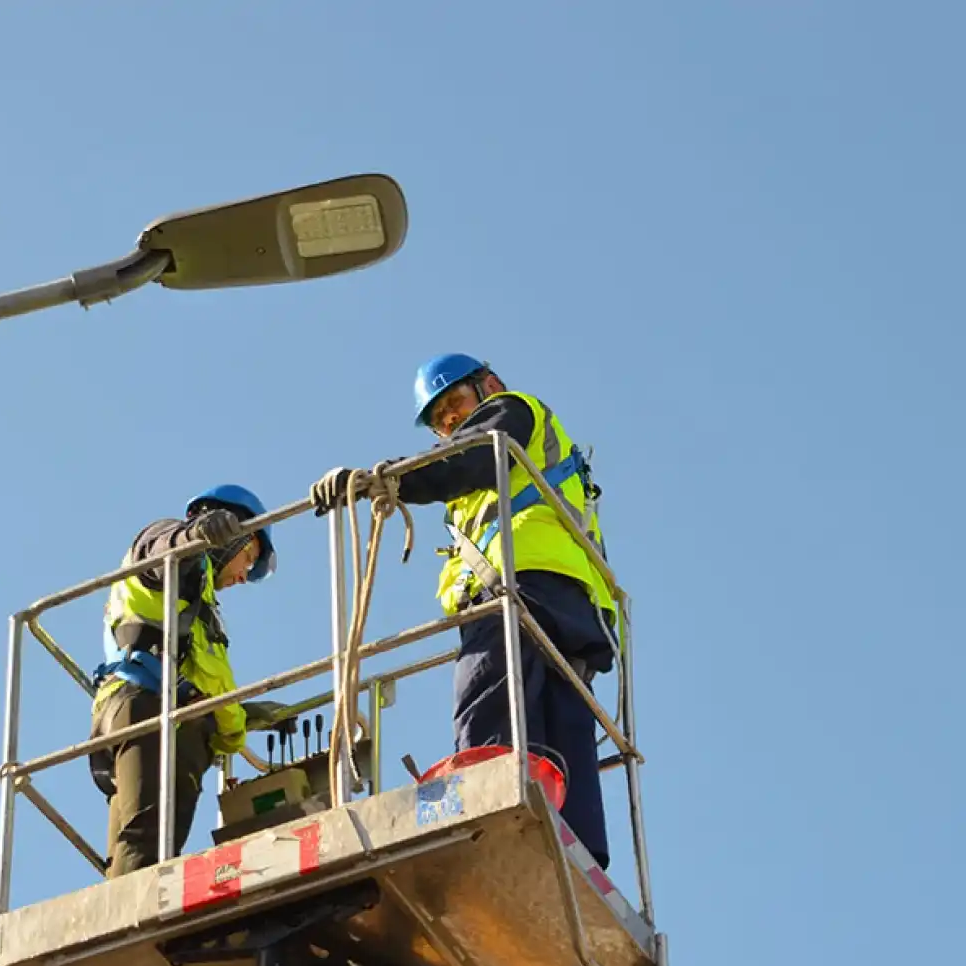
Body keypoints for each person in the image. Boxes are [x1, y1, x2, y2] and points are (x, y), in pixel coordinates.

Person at [308, 353, 620, 868]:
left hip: (524, 586)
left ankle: (485, 816)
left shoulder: (510, 413)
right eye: (439, 419)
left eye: (454, 404)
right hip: (570, 599)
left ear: (488, 385)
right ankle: (580, 854)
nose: (450, 422)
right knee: (556, 725)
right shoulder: (496, 473)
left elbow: (468, 459)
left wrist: (383, 480)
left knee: (488, 694)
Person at [88, 484, 295, 877]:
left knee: (138, 849)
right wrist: (196, 534)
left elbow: (207, 681)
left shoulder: (199, 604)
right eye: (248, 557)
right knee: (147, 844)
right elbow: (160, 549)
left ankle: (128, 925)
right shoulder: (175, 560)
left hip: (168, 719)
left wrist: (241, 717)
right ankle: (140, 931)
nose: (242, 576)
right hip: (147, 708)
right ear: (232, 537)